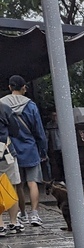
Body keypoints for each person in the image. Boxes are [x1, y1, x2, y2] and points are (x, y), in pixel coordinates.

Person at [0, 74, 47, 227]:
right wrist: (43, 150)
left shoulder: (2, 104)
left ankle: (23, 214)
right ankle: (35, 214)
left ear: (10, 87)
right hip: (30, 148)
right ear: (23, 88)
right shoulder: (31, 105)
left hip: (10, 149)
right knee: (32, 182)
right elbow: (39, 130)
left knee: (17, 184)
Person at [0, 101, 24, 235]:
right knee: (10, 187)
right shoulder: (4, 108)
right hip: (5, 152)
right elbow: (15, 130)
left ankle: (0, 224)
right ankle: (14, 222)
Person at [46, 110, 64, 184]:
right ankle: (60, 178)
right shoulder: (49, 125)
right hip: (54, 147)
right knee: (58, 163)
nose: (54, 117)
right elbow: (47, 137)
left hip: (62, 146)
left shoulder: (61, 124)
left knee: (63, 163)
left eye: (55, 115)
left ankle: (64, 178)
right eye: (53, 115)